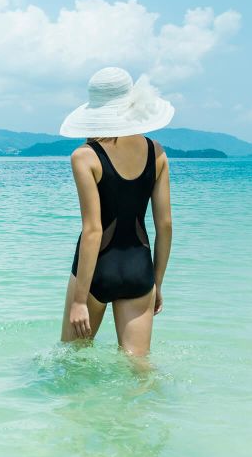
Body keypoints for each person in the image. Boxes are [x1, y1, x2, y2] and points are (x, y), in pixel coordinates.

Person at [57, 67, 174, 358]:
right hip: (139, 269)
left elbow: (93, 230)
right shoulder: (156, 151)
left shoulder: (84, 156)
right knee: (139, 368)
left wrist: (79, 301)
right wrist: (156, 282)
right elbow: (166, 225)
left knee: (73, 361)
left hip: (97, 272)